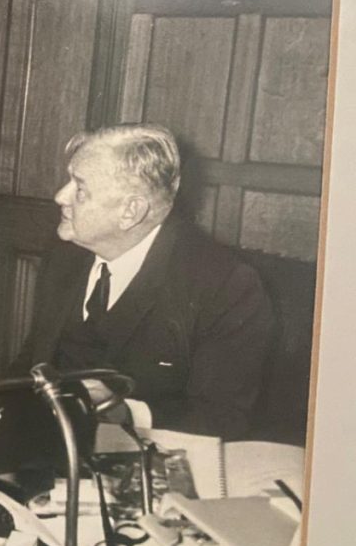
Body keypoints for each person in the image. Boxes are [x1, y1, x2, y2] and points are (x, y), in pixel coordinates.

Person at [16, 123, 273, 440]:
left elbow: (222, 418)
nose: (60, 196)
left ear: (131, 211)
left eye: (79, 189)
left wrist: (127, 413)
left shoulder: (225, 285)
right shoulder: (65, 252)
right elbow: (31, 362)